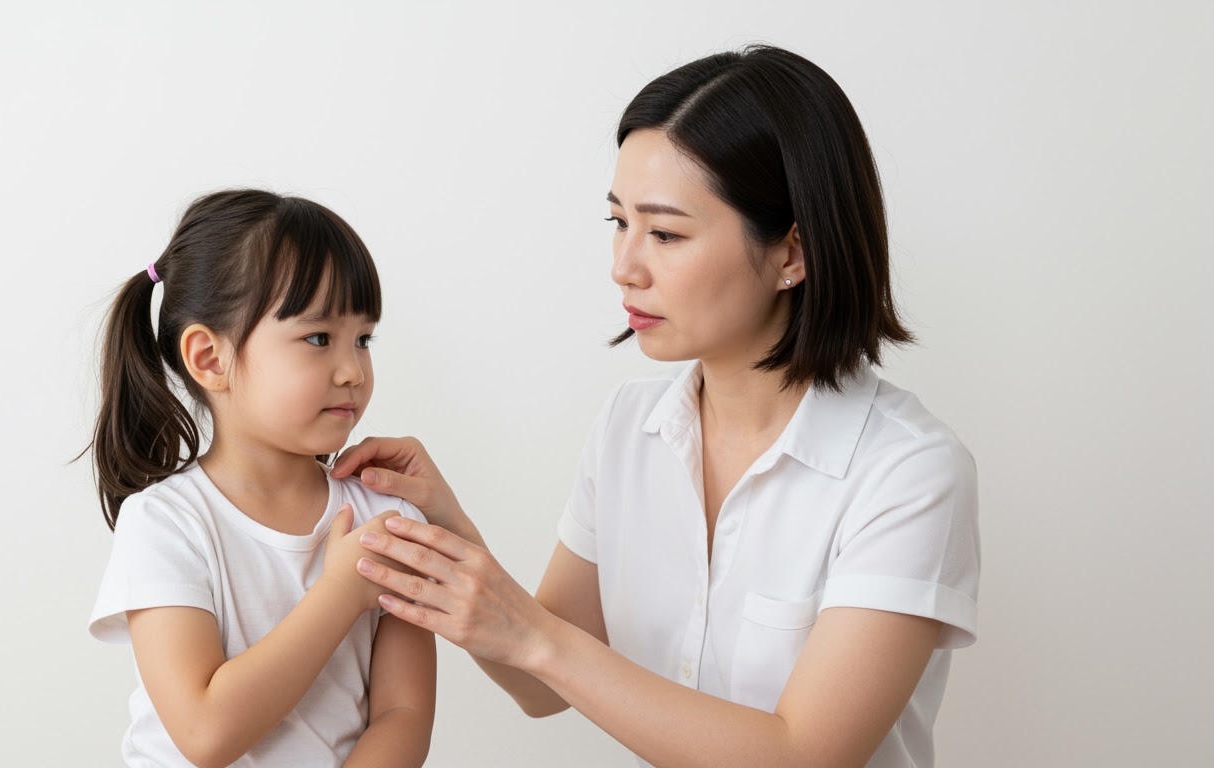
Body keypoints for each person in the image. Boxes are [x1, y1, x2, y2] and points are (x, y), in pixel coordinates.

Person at [333, 46, 979, 768]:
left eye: (665, 233)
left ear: (792, 253)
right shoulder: (628, 428)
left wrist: (534, 636)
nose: (624, 267)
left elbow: (804, 755)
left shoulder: (908, 471)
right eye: (619, 222)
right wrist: (447, 530)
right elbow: (540, 685)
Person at [85, 190, 435, 768]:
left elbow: (404, 714)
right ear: (210, 358)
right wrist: (342, 591)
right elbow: (205, 733)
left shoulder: (386, 518)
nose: (353, 371)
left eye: (363, 339)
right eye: (319, 338)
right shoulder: (165, 523)